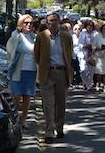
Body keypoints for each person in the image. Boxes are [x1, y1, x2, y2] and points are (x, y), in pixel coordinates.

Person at [34, 12, 74, 143]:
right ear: (46, 22)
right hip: (47, 73)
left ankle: (60, 128)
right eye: (50, 21)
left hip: (62, 73)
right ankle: (49, 132)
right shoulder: (41, 37)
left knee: (60, 104)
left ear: (59, 21)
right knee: (48, 104)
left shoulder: (66, 37)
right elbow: (36, 55)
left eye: (55, 20)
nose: (53, 23)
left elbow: (69, 54)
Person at [6, 14, 37, 129]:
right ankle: (14, 119)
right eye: (26, 23)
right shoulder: (16, 36)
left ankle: (23, 119)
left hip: (31, 70)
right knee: (16, 96)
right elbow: (9, 51)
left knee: (27, 96)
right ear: (21, 24)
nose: (29, 25)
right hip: (18, 70)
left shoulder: (35, 37)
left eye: (31, 23)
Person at [77, 20, 96, 91]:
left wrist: (93, 46)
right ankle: (85, 82)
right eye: (88, 25)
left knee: (91, 70)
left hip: (92, 54)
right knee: (83, 70)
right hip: (84, 53)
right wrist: (84, 46)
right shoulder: (82, 33)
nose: (89, 27)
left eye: (91, 25)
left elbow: (97, 43)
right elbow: (80, 44)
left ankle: (89, 85)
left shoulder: (95, 33)